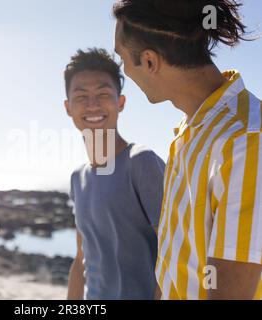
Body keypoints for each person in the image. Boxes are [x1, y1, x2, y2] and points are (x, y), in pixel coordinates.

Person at [113, 0, 262, 299]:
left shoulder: (246, 141)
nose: (124, 71)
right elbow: (172, 268)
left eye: (122, 59)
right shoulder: (189, 133)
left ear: (150, 62)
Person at [64, 48, 165, 300]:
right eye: (81, 96)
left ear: (121, 102)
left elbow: (175, 255)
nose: (92, 105)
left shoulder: (141, 162)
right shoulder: (78, 178)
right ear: (68, 107)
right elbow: (81, 260)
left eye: (103, 94)